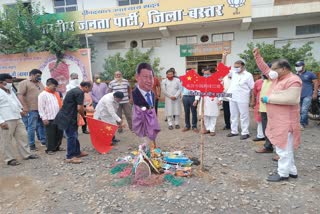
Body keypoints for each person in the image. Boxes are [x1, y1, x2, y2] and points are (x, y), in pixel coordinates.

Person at [253, 48, 302, 182]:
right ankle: (292, 171)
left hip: (286, 122)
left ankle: (283, 174)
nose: (272, 71)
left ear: (284, 68)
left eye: (275, 69)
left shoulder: (293, 80)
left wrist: (269, 99)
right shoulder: (278, 78)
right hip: (277, 120)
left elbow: (292, 99)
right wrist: (258, 57)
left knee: (282, 149)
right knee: (287, 148)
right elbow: (265, 70)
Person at [0, 74, 38, 166]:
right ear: (1, 82)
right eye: (8, 82)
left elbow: (15, 102)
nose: (10, 83)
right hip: (6, 119)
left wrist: (21, 110)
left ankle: (26, 154)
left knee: (23, 136)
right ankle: (9, 159)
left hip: (17, 117)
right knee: (6, 140)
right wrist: (1, 121)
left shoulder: (10, 91)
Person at [54, 81, 92, 164]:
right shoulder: (80, 93)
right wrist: (84, 116)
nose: (90, 90)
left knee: (75, 135)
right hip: (68, 117)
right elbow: (79, 108)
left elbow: (76, 106)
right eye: (90, 88)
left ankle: (77, 152)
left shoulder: (75, 90)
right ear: (86, 87)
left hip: (69, 116)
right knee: (71, 136)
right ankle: (70, 157)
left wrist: (86, 110)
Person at [224, 52, 254, 140]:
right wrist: (224, 56)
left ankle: (245, 132)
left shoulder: (248, 75)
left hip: (243, 98)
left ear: (243, 66)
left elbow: (252, 88)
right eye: (235, 67)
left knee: (244, 115)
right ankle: (234, 131)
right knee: (233, 114)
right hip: (233, 97)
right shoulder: (233, 73)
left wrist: (252, 100)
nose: (236, 68)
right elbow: (222, 69)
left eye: (238, 67)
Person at [132, 62, 160, 150]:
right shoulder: (135, 93)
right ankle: (146, 151)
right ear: (137, 77)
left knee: (152, 136)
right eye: (145, 77)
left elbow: (152, 108)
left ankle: (153, 147)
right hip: (143, 122)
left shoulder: (151, 93)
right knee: (145, 140)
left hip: (151, 120)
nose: (148, 80)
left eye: (151, 77)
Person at [17, 69, 46, 150]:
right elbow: (20, 95)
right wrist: (24, 106)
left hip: (41, 109)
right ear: (32, 75)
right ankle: (31, 144)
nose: (39, 77)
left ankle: (43, 141)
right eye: (37, 76)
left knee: (42, 125)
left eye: (40, 76)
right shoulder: (24, 83)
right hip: (31, 109)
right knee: (32, 127)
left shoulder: (40, 83)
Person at [38, 78, 63, 155]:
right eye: (53, 86)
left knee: (59, 133)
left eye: (56, 86)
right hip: (49, 118)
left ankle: (57, 147)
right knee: (50, 135)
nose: (55, 88)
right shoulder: (42, 95)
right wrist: (44, 118)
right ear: (48, 85)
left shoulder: (56, 94)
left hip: (58, 117)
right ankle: (50, 149)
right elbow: (41, 107)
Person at [295, 61, 319, 130]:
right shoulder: (295, 75)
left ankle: (301, 124)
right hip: (298, 95)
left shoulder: (310, 74)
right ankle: (305, 122)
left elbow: (316, 83)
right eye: (296, 66)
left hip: (308, 95)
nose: (297, 67)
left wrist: (315, 93)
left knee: (304, 110)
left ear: (303, 66)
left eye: (299, 66)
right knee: (299, 110)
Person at [255, 68, 274, 154]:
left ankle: (280, 151)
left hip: (273, 109)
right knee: (265, 129)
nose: (263, 74)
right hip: (263, 109)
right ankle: (268, 146)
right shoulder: (265, 81)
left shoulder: (275, 81)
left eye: (265, 72)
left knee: (275, 129)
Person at [197, 66, 220, 136]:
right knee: (205, 115)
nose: (206, 75)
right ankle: (207, 129)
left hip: (213, 100)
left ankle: (212, 130)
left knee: (213, 115)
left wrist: (220, 99)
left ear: (212, 74)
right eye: (205, 74)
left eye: (208, 74)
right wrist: (196, 99)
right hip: (204, 100)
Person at [182, 69, 199, 133]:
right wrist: (182, 96)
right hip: (185, 97)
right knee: (186, 112)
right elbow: (182, 89)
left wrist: (196, 99)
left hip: (193, 97)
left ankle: (194, 126)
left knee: (194, 112)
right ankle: (187, 126)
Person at [251, 76, 265, 141]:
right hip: (259, 104)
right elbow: (254, 92)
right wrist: (253, 101)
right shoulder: (258, 82)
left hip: (270, 103)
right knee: (259, 119)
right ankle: (260, 135)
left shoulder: (274, 81)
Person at [220, 52, 232, 130]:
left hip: (233, 98)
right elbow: (222, 66)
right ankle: (227, 125)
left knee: (234, 113)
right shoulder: (224, 76)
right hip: (225, 98)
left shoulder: (236, 77)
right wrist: (224, 56)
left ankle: (234, 125)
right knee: (226, 113)